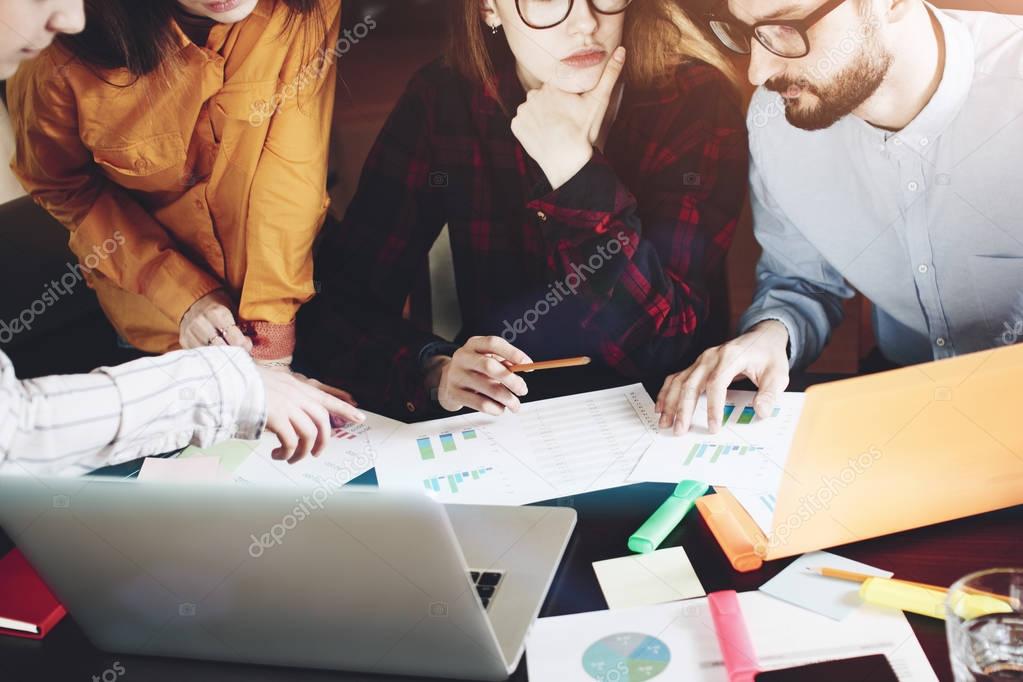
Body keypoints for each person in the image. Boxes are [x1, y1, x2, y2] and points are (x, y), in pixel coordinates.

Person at [297, 0, 749, 418]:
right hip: (507, 423)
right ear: (489, 8)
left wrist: (575, 174)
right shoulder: (445, 99)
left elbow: (665, 348)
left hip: (664, 420)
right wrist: (434, 368)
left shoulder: (694, 99)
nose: (587, 22)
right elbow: (339, 307)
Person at [0, 0, 363, 475]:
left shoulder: (303, 9)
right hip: (152, 327)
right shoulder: (58, 51)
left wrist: (270, 350)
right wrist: (182, 295)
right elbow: (64, 188)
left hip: (289, 301)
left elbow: (290, 175)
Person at [657, 0, 1023, 434]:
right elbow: (801, 280)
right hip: (900, 396)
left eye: (788, 27)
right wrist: (771, 335)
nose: (757, 72)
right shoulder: (777, 122)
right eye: (746, 32)